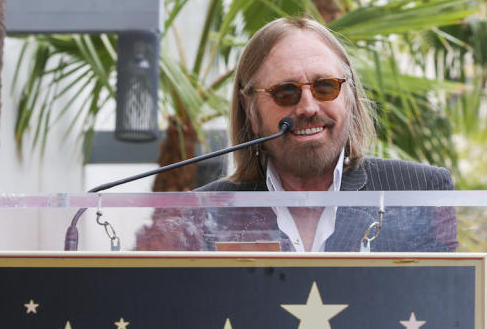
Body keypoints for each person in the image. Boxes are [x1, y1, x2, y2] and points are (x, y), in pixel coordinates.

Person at [194, 15, 455, 253]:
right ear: (249, 110)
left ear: (349, 97)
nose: (308, 107)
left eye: (325, 87)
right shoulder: (203, 213)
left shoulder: (421, 191)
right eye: (285, 92)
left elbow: (445, 302)